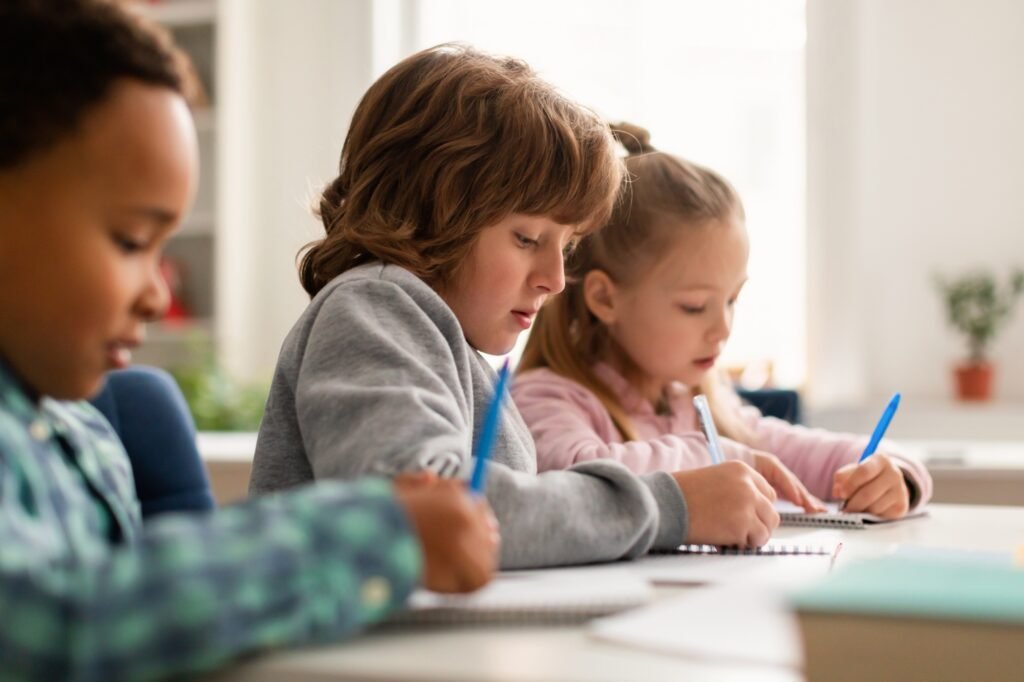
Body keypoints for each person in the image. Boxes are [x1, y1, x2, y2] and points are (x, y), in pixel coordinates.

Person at [0, 2, 496, 679]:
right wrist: (365, 538)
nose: (156, 293)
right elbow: (48, 629)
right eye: (130, 241)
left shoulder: (80, 435)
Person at [249, 44, 784, 568]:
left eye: (567, 247)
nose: (555, 280)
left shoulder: (450, 347)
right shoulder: (372, 310)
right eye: (527, 239)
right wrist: (671, 506)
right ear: (433, 213)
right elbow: (428, 514)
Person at [513, 123, 932, 519]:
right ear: (605, 298)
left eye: (732, 300)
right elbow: (579, 478)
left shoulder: (700, 406)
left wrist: (893, 475)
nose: (724, 329)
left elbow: (824, 455)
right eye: (695, 306)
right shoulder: (543, 400)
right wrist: (725, 457)